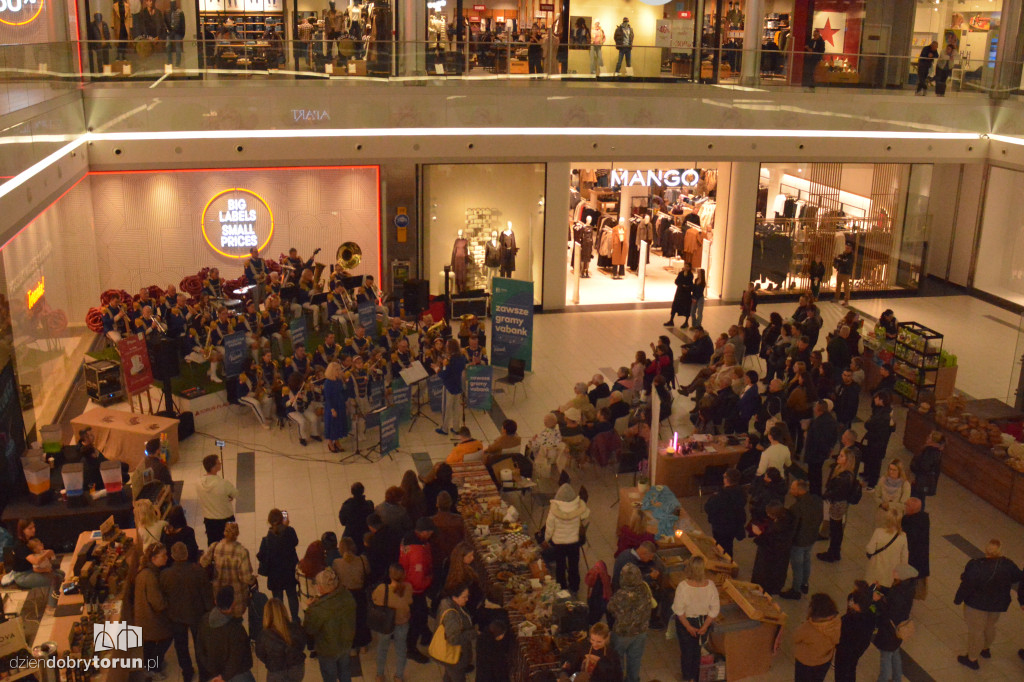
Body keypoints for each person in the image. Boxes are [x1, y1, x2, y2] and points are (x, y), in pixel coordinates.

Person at [954, 539, 1024, 669]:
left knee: (976, 631)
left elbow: (967, 584)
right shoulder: (1008, 564)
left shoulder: (976, 565)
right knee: (990, 626)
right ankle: (985, 649)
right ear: (1001, 551)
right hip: (997, 604)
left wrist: (958, 599)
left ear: (986, 550)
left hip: (976, 604)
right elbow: (1018, 576)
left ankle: (972, 659)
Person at [159, 542, 212, 682]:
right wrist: (209, 611)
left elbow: (164, 596)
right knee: (200, 645)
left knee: (181, 645)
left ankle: (187, 671)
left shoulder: (165, 575)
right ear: (187, 554)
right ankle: (204, 673)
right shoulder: (198, 571)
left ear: (172, 556)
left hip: (176, 616)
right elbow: (207, 594)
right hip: (197, 614)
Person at [672, 557, 719, 682]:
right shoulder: (711, 586)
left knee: (686, 651)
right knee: (697, 650)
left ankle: (688, 677)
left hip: (686, 621)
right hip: (703, 621)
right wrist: (705, 626)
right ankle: (696, 677)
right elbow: (714, 609)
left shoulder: (683, 587)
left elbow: (679, 611)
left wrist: (688, 627)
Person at [304, 568, 356, 682]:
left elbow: (309, 629)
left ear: (321, 587)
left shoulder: (318, 609)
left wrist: (309, 609)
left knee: (330, 677)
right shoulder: (347, 595)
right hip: (346, 643)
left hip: (327, 650)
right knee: (345, 672)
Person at [197, 586, 255, 682]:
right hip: (237, 674)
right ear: (233, 604)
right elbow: (236, 659)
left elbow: (200, 649)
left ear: (215, 602)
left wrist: (212, 670)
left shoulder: (204, 621)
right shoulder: (236, 628)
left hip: (214, 672)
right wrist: (223, 677)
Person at [606, 564, 651, 682]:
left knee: (618, 659)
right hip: (641, 632)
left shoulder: (621, 595)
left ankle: (619, 679)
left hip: (622, 633)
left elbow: (610, 607)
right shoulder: (644, 589)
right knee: (635, 659)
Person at [135, 543, 174, 679]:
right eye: (163, 555)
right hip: (151, 619)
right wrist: (168, 602)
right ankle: (155, 668)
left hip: (143, 617)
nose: (166, 557)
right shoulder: (151, 577)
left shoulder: (144, 572)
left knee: (149, 644)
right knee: (166, 638)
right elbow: (158, 604)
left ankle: (148, 666)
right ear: (153, 558)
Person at [200, 522, 255, 617]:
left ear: (224, 532)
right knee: (236, 621)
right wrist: (253, 579)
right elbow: (246, 578)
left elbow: (203, 562)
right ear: (237, 534)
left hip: (219, 595)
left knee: (221, 620)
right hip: (237, 598)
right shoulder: (242, 552)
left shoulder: (215, 547)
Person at [400, 518, 436, 663]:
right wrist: (430, 579)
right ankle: (411, 649)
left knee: (421, 614)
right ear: (424, 532)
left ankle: (426, 634)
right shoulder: (418, 554)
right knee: (417, 618)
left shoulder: (408, 538)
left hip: (407, 582)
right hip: (415, 590)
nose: (432, 535)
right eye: (430, 532)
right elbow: (418, 580)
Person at [873, 564, 917, 682]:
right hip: (898, 628)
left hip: (890, 629)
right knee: (895, 653)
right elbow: (892, 593)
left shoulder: (899, 593)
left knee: (886, 657)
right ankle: (897, 679)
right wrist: (881, 588)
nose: (894, 571)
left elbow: (890, 612)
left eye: (896, 571)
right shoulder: (906, 587)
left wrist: (878, 601)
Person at [370, 563, 413, 680]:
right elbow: (409, 601)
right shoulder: (408, 587)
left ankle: (380, 675)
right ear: (403, 575)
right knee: (401, 650)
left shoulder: (382, 589)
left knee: (382, 649)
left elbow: (374, 599)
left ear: (390, 575)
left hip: (385, 624)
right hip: (402, 622)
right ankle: (399, 676)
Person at [782, 479, 824, 600]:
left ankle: (795, 590)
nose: (790, 491)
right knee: (806, 560)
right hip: (811, 537)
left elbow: (793, 528)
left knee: (797, 566)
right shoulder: (817, 500)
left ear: (799, 491)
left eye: (792, 489)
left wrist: (788, 542)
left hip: (799, 541)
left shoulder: (796, 508)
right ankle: (804, 584)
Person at [545, 483, 591, 593]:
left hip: (559, 543)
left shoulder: (554, 510)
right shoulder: (578, 508)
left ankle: (562, 586)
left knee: (560, 566)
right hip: (574, 542)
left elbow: (549, 527)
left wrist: (546, 539)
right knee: (573, 565)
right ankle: (574, 586)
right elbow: (586, 514)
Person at [257, 509, 301, 622]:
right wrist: (286, 526)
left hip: (275, 576)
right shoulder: (290, 532)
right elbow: (295, 542)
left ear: (269, 522)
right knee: (292, 595)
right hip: (289, 572)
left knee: (278, 600)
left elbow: (261, 556)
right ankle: (295, 619)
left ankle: (281, 621)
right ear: (282, 519)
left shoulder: (266, 540)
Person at [9, 520, 65, 606]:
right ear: (23, 530)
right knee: (55, 579)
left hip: (32, 570)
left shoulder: (30, 541)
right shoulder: (20, 545)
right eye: (30, 528)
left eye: (34, 527)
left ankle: (57, 598)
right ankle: (52, 605)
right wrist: (46, 554)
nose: (34, 530)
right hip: (23, 576)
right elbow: (35, 561)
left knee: (61, 573)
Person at [817, 447, 857, 563]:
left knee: (835, 529)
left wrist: (825, 496)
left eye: (842, 456)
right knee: (837, 528)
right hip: (840, 503)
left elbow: (836, 491)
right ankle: (836, 552)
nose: (838, 457)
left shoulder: (844, 477)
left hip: (838, 504)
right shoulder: (846, 472)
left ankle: (832, 553)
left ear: (847, 460)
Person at [333, 537, 371, 652]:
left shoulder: (336, 563)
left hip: (345, 595)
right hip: (360, 593)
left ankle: (352, 647)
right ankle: (363, 645)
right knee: (361, 619)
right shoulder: (362, 559)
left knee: (348, 621)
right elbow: (367, 572)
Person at [255, 598, 306, 682]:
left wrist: (271, 661)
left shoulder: (264, 635)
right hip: (297, 668)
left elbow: (260, 654)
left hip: (276, 671)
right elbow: (302, 645)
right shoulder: (296, 627)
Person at [793, 593, 841, 682]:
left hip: (807, 661)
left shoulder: (809, 627)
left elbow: (796, 637)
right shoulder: (836, 621)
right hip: (825, 659)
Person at [834, 582, 876, 682]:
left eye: (853, 601)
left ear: (857, 605)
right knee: (851, 669)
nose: (851, 602)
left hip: (846, 652)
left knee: (841, 673)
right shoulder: (870, 613)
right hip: (858, 650)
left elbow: (841, 636)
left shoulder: (851, 621)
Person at [751, 502, 795, 595]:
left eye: (769, 513)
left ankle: (764, 591)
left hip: (771, 558)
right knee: (776, 574)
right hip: (781, 555)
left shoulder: (778, 528)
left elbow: (770, 542)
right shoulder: (787, 518)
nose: (767, 515)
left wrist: (759, 533)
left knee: (766, 576)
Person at [436, 582, 477, 682]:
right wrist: (473, 633)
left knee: (449, 675)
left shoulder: (449, 603)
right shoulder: (451, 615)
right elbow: (453, 639)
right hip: (455, 657)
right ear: (454, 597)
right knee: (457, 677)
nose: (467, 599)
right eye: (464, 597)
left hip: (451, 657)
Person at [703, 468, 747, 558]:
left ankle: (722, 562)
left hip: (721, 525)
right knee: (729, 545)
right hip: (734, 524)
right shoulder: (741, 492)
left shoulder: (721, 496)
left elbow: (708, 508)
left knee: (720, 547)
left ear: (727, 479)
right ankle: (729, 561)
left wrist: (713, 497)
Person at [198, 453, 238, 545]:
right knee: (229, 543)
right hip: (225, 518)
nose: (220, 464)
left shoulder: (198, 483)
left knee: (213, 543)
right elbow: (235, 493)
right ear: (213, 467)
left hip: (209, 520)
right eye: (218, 463)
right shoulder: (223, 483)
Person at [865, 510, 908, 590]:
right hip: (891, 573)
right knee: (886, 592)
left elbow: (870, 550)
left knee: (873, 591)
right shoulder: (903, 536)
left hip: (876, 569)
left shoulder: (879, 532)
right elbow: (904, 558)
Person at [803, 400, 838, 496]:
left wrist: (807, 435)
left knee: (814, 474)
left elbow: (817, 439)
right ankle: (816, 492)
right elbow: (834, 436)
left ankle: (814, 493)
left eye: (815, 407)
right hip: (823, 452)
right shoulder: (831, 420)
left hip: (815, 453)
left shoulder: (818, 423)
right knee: (817, 472)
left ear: (819, 410)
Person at [862, 392, 894, 491]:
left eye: (876, 398)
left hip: (878, 443)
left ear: (881, 400)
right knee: (870, 459)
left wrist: (869, 422)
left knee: (875, 462)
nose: (874, 400)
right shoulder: (883, 411)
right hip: (875, 441)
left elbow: (869, 424)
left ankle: (872, 483)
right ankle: (867, 474)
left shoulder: (883, 415)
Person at [435, 339, 468, 435]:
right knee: (456, 408)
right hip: (458, 385)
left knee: (447, 408)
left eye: (447, 346)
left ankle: (445, 428)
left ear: (450, 348)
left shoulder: (450, 361)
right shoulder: (461, 358)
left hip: (449, 386)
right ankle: (456, 428)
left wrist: (438, 369)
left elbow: (444, 375)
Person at [900, 498, 930, 595]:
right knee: (912, 581)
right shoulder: (924, 518)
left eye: (907, 505)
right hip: (920, 559)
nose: (905, 507)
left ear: (911, 509)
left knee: (906, 582)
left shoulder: (908, 522)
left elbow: (907, 541)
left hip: (911, 558)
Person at [909, 430, 943, 508]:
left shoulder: (929, 452)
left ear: (934, 442)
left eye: (929, 437)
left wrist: (914, 467)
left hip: (920, 480)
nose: (927, 438)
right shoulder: (936, 452)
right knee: (921, 498)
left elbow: (924, 467)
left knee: (916, 498)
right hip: (923, 481)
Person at [338, 481, 374, 554]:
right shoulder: (369, 505)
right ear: (363, 491)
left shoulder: (347, 505)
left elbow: (342, 521)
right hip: (365, 536)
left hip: (351, 535)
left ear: (352, 492)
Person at [322, 361, 350, 454]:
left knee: (339, 423)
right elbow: (328, 397)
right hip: (332, 406)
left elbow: (343, 392)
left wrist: (345, 383)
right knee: (332, 424)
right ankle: (330, 443)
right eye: (337, 370)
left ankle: (337, 441)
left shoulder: (339, 381)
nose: (339, 371)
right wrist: (332, 409)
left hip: (340, 404)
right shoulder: (327, 382)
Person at [665, 262, 694, 327]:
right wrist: (681, 285)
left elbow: (690, 283)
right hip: (679, 292)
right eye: (685, 266)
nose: (686, 267)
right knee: (675, 305)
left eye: (687, 266)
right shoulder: (681, 273)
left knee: (686, 307)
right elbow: (676, 281)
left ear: (689, 268)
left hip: (686, 294)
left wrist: (686, 286)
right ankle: (671, 320)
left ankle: (686, 322)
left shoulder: (690, 275)